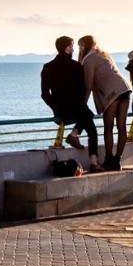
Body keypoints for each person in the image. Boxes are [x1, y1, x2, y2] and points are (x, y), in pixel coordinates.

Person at [40, 36, 101, 173]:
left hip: (60, 113)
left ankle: (74, 134)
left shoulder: (47, 67)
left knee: (87, 116)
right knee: (91, 128)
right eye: (72, 46)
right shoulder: (76, 66)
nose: (73, 49)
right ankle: (93, 163)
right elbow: (82, 91)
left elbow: (44, 95)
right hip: (76, 109)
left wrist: (55, 106)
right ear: (67, 48)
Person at [78, 35, 133, 170]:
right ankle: (117, 161)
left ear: (86, 45)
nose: (79, 49)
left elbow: (89, 85)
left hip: (112, 92)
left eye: (81, 46)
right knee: (121, 127)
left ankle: (109, 159)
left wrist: (82, 104)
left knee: (108, 127)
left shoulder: (89, 59)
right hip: (125, 89)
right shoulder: (103, 55)